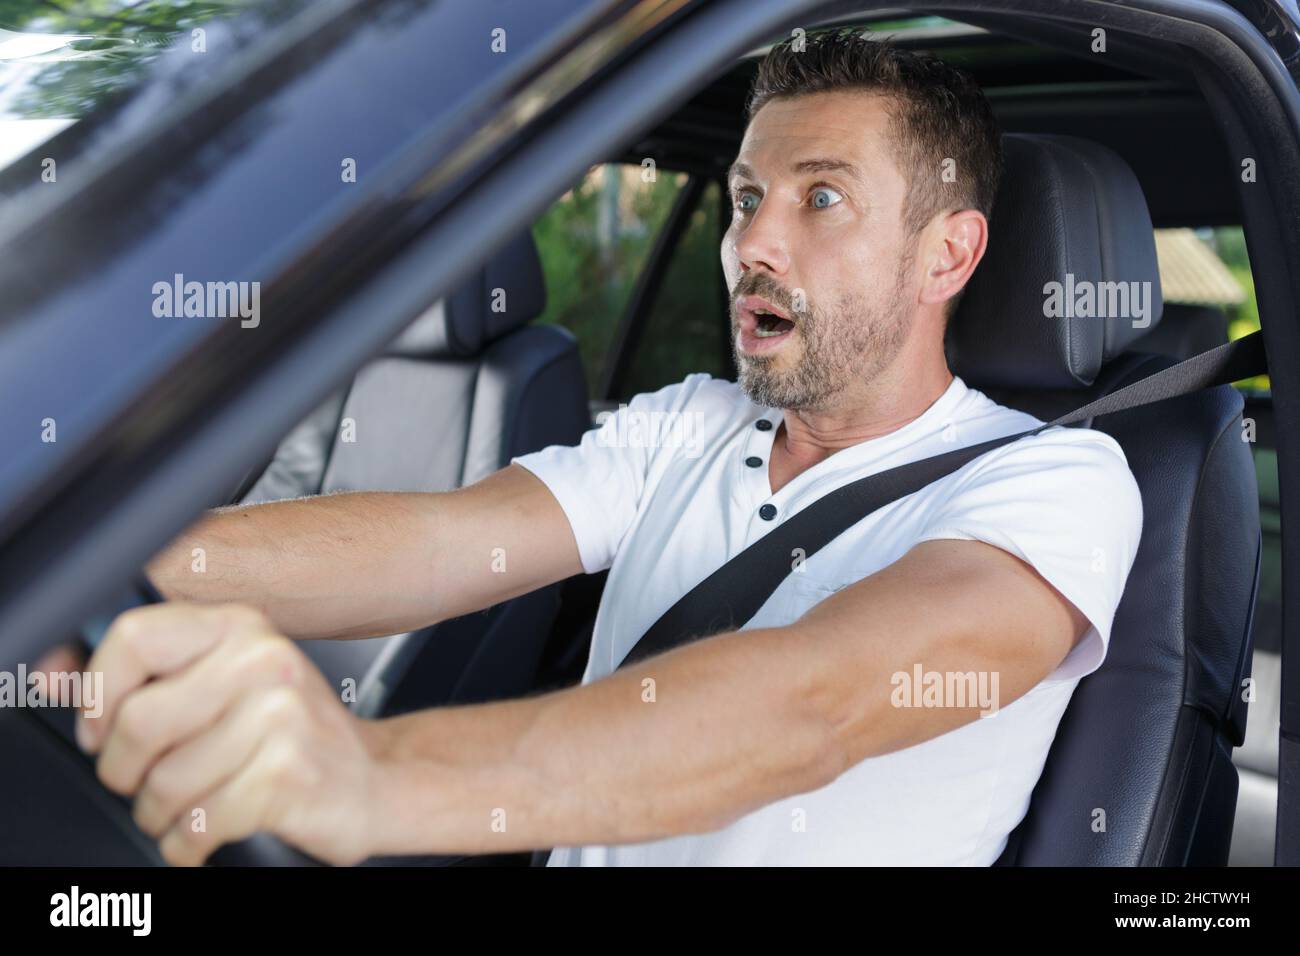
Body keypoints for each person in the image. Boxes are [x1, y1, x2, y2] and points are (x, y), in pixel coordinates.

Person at [63, 29, 1142, 866]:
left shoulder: (1052, 483)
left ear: (946, 254)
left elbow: (823, 697)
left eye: (821, 197)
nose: (753, 244)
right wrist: (104, 572)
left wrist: (364, 774)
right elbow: (445, 543)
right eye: (747, 198)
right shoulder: (689, 423)